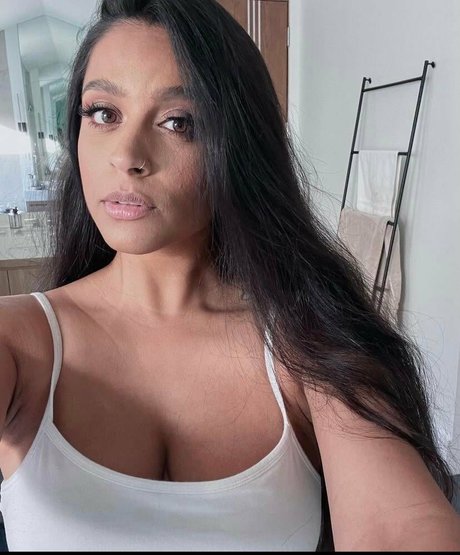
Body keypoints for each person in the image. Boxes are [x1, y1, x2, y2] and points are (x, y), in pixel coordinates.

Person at [0, 0, 459, 551]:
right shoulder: (18, 343)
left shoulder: (307, 344)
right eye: (103, 113)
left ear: (237, 147)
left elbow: (397, 531)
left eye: (178, 122)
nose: (127, 155)